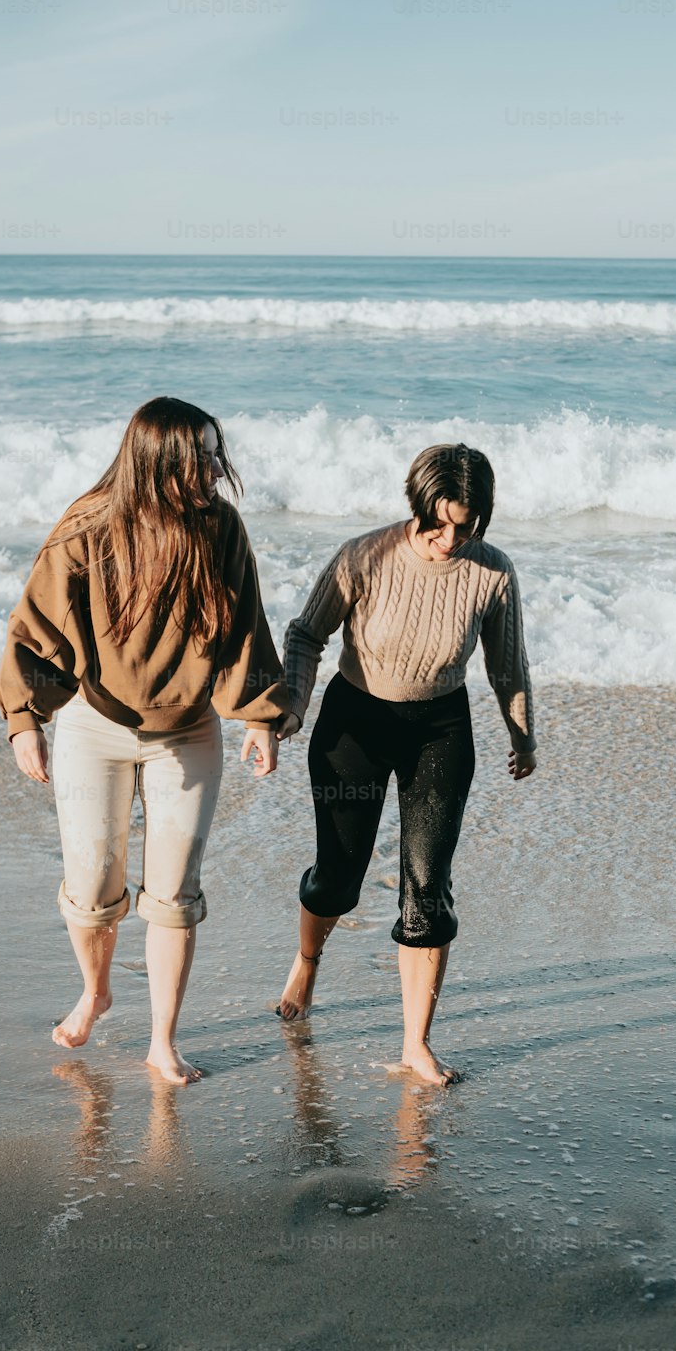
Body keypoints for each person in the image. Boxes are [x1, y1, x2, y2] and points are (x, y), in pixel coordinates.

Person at [0, 396, 290, 1084]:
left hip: (187, 732)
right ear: (162, 464)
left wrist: (260, 717)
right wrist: (24, 721)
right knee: (92, 888)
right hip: (94, 726)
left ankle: (163, 1040)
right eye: (204, 457)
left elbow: (247, 626)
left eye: (218, 453)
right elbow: (35, 627)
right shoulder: (87, 526)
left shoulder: (219, 528)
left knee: (172, 894)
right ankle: (96, 991)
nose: (218, 468)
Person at [275, 442, 537, 1086]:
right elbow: (307, 634)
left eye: (465, 526)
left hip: (439, 732)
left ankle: (416, 1044)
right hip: (353, 724)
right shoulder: (365, 555)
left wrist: (523, 735)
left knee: (427, 888)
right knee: (339, 878)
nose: (449, 539)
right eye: (436, 522)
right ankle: (307, 962)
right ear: (415, 504)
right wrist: (293, 705)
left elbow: (507, 663)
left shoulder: (493, 572)